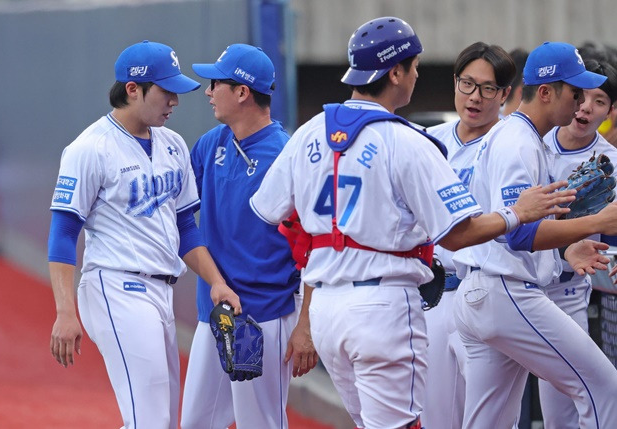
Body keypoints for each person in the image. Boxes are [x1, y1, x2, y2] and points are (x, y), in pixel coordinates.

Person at [249, 17, 585, 429]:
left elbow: (271, 212)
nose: (416, 76)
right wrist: (518, 213)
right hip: (384, 305)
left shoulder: (309, 131)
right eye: (414, 68)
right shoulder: (408, 139)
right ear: (395, 72)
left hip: (329, 310)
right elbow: (459, 234)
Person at [47, 40, 240, 429]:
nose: (175, 101)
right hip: (115, 288)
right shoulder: (90, 149)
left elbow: (186, 227)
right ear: (133, 90)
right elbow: (64, 232)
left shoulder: (173, 144)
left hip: (160, 294)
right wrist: (65, 312)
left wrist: (216, 282)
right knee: (149, 420)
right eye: (166, 91)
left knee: (162, 421)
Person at [451, 41, 617, 429]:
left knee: (488, 423)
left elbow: (520, 230)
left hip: (484, 291)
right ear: (546, 92)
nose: (580, 103)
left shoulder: (517, 136)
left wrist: (566, 249)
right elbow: (520, 234)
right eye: (574, 92)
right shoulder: (518, 141)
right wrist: (599, 222)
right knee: (604, 388)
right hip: (505, 291)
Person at [179, 44, 318, 429]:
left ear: (242, 92)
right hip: (215, 310)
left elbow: (315, 246)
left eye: (215, 83)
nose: (208, 92)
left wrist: (306, 326)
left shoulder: (287, 154)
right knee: (195, 423)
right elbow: (180, 214)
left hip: (265, 314)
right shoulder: (211, 143)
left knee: (261, 424)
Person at [422, 41, 516, 429]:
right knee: (433, 418)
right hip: (431, 296)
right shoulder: (426, 140)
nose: (475, 97)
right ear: (455, 83)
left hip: (486, 294)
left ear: (506, 94)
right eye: (467, 84)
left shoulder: (514, 144)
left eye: (488, 88)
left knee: (490, 421)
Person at [537, 57, 617, 429]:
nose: (586, 107)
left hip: (568, 294)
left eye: (599, 100)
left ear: (610, 111)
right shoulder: (533, 142)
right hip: (517, 288)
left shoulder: (611, 161)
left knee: (563, 413)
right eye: (581, 96)